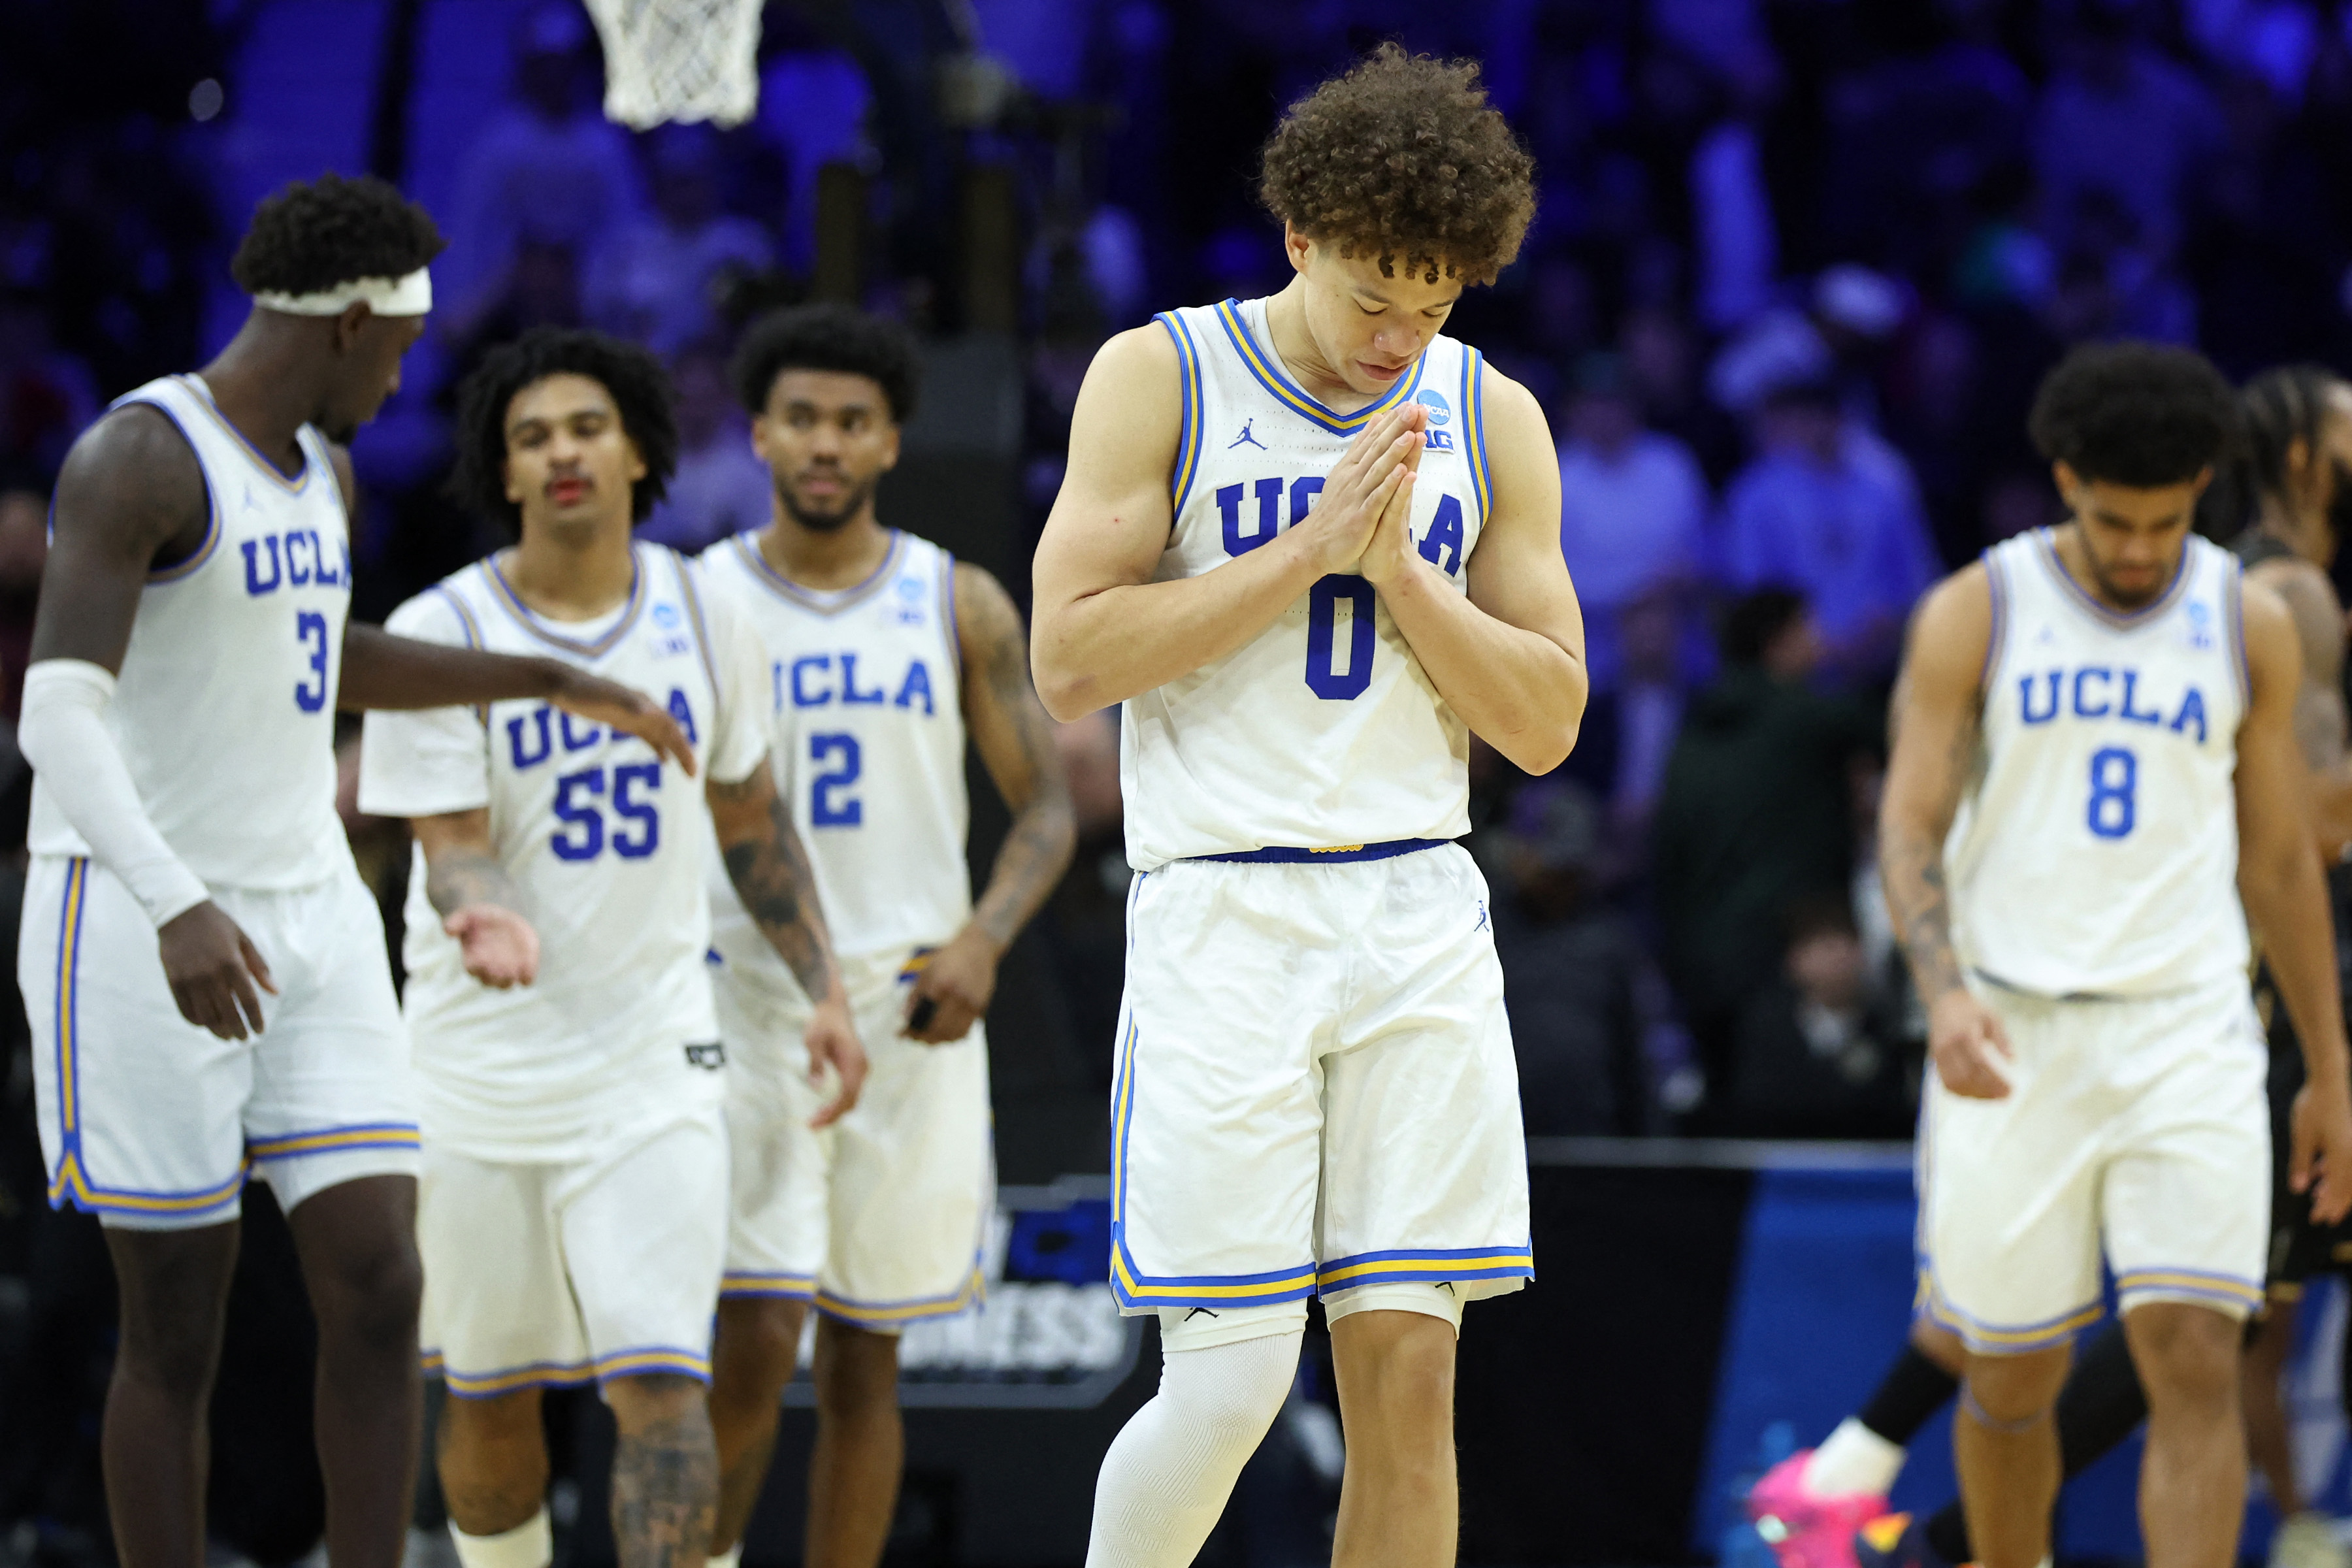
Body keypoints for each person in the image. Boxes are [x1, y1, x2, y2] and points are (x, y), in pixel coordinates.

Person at [16, 174, 696, 1568]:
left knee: (386, 1288)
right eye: (401, 346)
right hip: (139, 915)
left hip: (309, 910)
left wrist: (550, 679)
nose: (408, 374)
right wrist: (176, 903)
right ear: (350, 321)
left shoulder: (317, 473)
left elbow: (328, 661)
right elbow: (54, 715)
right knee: (175, 1328)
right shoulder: (138, 458)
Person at [1029, 45, 1586, 1568]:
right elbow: (1069, 660)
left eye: (1434, 305)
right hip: (1228, 909)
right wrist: (1309, 556)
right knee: (1229, 1383)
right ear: (1299, 238)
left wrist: (1405, 573)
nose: (1395, 340)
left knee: (1411, 1380)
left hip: (1416, 905)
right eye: (1369, 297)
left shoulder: (1493, 416)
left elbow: (1545, 723)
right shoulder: (1163, 373)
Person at [1762, 364, 2352, 1568]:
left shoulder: (2251, 619)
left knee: (2195, 1355)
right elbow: (1911, 824)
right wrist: (1943, 992)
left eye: (2165, 522)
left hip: (2188, 1028)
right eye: (2113, 521)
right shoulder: (1978, 609)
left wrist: (2329, 1069)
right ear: (2068, 483)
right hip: (2014, 1030)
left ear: (2201, 488)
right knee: (2011, 1370)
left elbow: (2285, 864)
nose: (2139, 552)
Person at [357, 328, 862, 1568]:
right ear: (506, 474)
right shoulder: (443, 625)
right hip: (478, 1069)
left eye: (585, 427)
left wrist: (825, 989)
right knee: (488, 1393)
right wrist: (478, 907)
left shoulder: (707, 610)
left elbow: (749, 814)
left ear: (639, 449)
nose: (562, 452)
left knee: (663, 1389)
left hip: (653, 1063)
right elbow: (451, 839)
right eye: (531, 439)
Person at [695, 302, 1076, 1568]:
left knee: (867, 1356)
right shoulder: (698, 602)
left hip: (912, 1004)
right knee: (751, 1336)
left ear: (891, 443)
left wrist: (983, 939)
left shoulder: (956, 602)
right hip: (750, 1000)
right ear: (758, 434)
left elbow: (1048, 809)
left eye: (851, 422)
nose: (824, 443)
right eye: (801, 417)